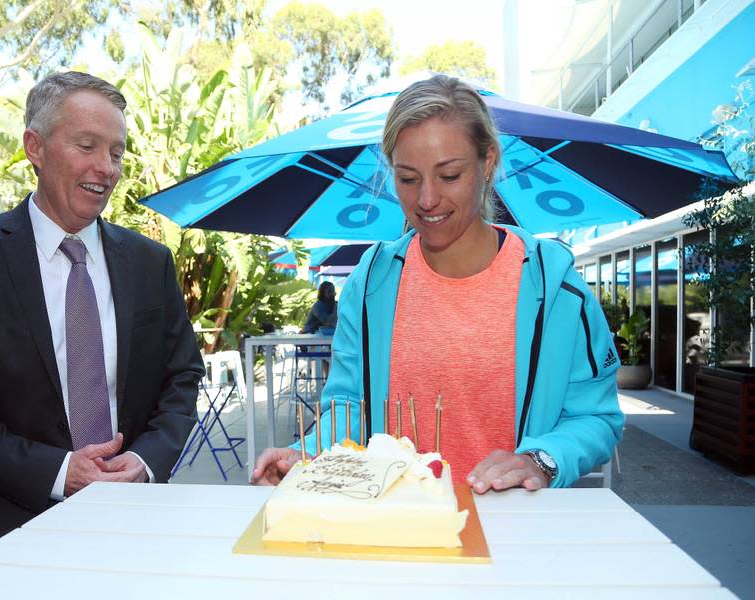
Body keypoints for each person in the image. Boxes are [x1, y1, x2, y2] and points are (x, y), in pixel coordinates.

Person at [252, 75, 623, 493]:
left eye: (448, 176)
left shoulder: (556, 288)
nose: (426, 199)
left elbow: (596, 418)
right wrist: (309, 454)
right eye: (408, 179)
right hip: (393, 531)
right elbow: (348, 406)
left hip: (511, 534)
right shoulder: (371, 282)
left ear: (487, 163)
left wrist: (539, 459)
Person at [0, 71, 205, 561]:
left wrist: (146, 460)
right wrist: (57, 471)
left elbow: (182, 375)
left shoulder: (150, 263)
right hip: (9, 539)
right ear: (34, 147)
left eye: (116, 152)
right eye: (87, 145)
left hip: (137, 531)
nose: (106, 167)